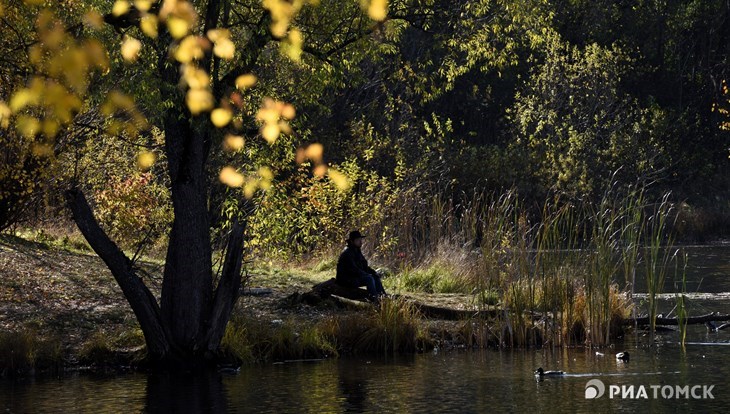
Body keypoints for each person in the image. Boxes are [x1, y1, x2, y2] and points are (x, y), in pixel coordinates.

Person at [336, 230, 386, 301]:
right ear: (351, 241)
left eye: (360, 240)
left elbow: (364, 266)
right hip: (345, 279)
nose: (360, 242)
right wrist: (366, 274)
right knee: (369, 279)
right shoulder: (347, 253)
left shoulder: (357, 251)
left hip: (353, 277)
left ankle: (384, 299)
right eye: (358, 240)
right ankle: (375, 300)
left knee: (375, 277)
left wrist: (373, 272)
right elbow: (353, 269)